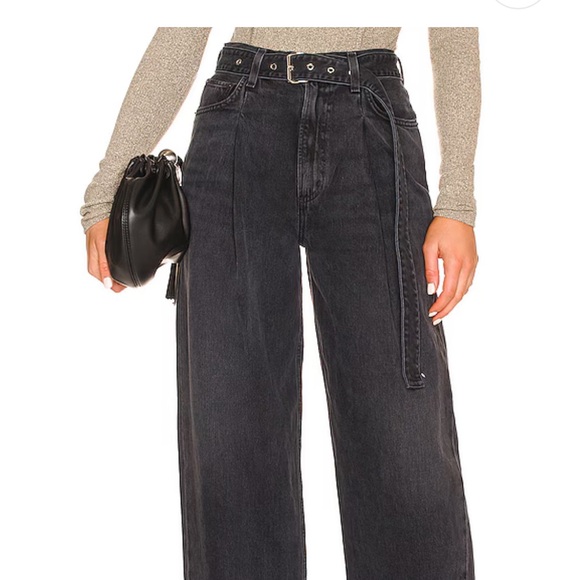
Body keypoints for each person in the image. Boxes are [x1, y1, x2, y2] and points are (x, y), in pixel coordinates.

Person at [81, 27, 481, 580]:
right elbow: (184, 25)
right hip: (239, 119)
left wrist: (457, 202)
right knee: (232, 431)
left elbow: (455, 23)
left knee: (403, 437)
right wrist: (106, 188)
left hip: (371, 120)